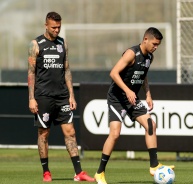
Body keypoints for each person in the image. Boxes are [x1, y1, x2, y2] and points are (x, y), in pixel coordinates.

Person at [94, 27, 175, 184]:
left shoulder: (149, 57)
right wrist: (127, 91)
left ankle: (154, 165)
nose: (156, 47)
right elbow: (113, 73)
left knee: (151, 124)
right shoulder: (131, 53)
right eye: (154, 43)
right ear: (145, 39)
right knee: (115, 134)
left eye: (158, 45)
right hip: (117, 97)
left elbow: (143, 76)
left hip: (132, 98)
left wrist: (148, 94)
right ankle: (100, 173)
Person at [27, 12, 94, 182]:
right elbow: (31, 73)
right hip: (43, 96)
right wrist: (31, 98)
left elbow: (67, 70)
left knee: (70, 132)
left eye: (59, 27)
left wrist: (71, 95)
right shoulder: (36, 44)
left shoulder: (63, 43)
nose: (57, 30)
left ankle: (79, 172)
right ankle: (46, 172)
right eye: (53, 27)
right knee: (44, 133)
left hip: (62, 96)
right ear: (46, 25)